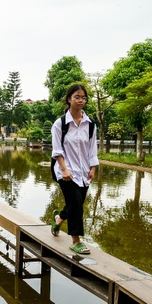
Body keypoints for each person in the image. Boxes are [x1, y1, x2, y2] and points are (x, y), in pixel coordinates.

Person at [50, 83, 99, 255]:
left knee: (75, 203)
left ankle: (59, 219)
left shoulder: (90, 124)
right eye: (77, 97)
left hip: (84, 171)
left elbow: (93, 148)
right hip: (65, 170)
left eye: (83, 97)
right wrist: (64, 170)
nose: (81, 100)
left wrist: (93, 168)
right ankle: (76, 241)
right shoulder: (60, 124)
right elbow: (57, 150)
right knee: (76, 204)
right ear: (69, 99)